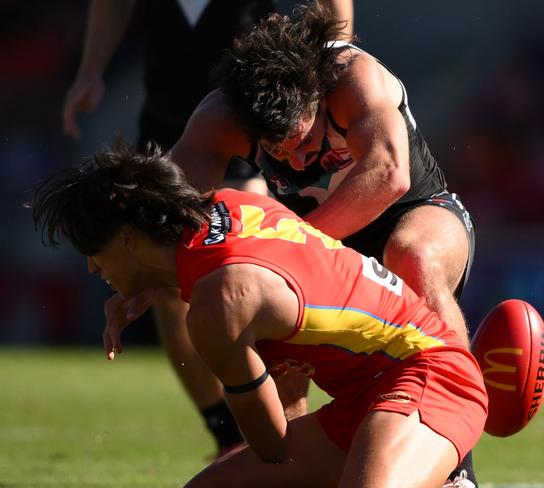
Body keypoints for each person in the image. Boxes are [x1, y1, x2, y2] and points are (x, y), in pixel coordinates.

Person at [30, 140, 488, 488]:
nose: (92, 267)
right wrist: (151, 282)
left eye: (95, 251)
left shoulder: (215, 307)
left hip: (431, 377)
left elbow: (273, 447)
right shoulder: (230, 204)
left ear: (129, 239)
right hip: (365, 403)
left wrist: (236, 356)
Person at [160, 1, 483, 483]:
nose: (297, 158)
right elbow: (166, 209)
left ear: (315, 94)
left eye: (305, 141)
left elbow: (389, 174)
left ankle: (455, 467)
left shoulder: (354, 76)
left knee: (411, 256)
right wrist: (136, 276)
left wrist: (294, 249)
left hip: (417, 213)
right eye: (277, 151)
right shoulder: (221, 116)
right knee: (270, 319)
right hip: (323, 246)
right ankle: (293, 466)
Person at [61, 0, 354, 455]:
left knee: (258, 287)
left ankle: (292, 437)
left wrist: (340, 57)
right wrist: (91, 68)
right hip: (166, 125)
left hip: (247, 130)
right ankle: (229, 439)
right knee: (169, 300)